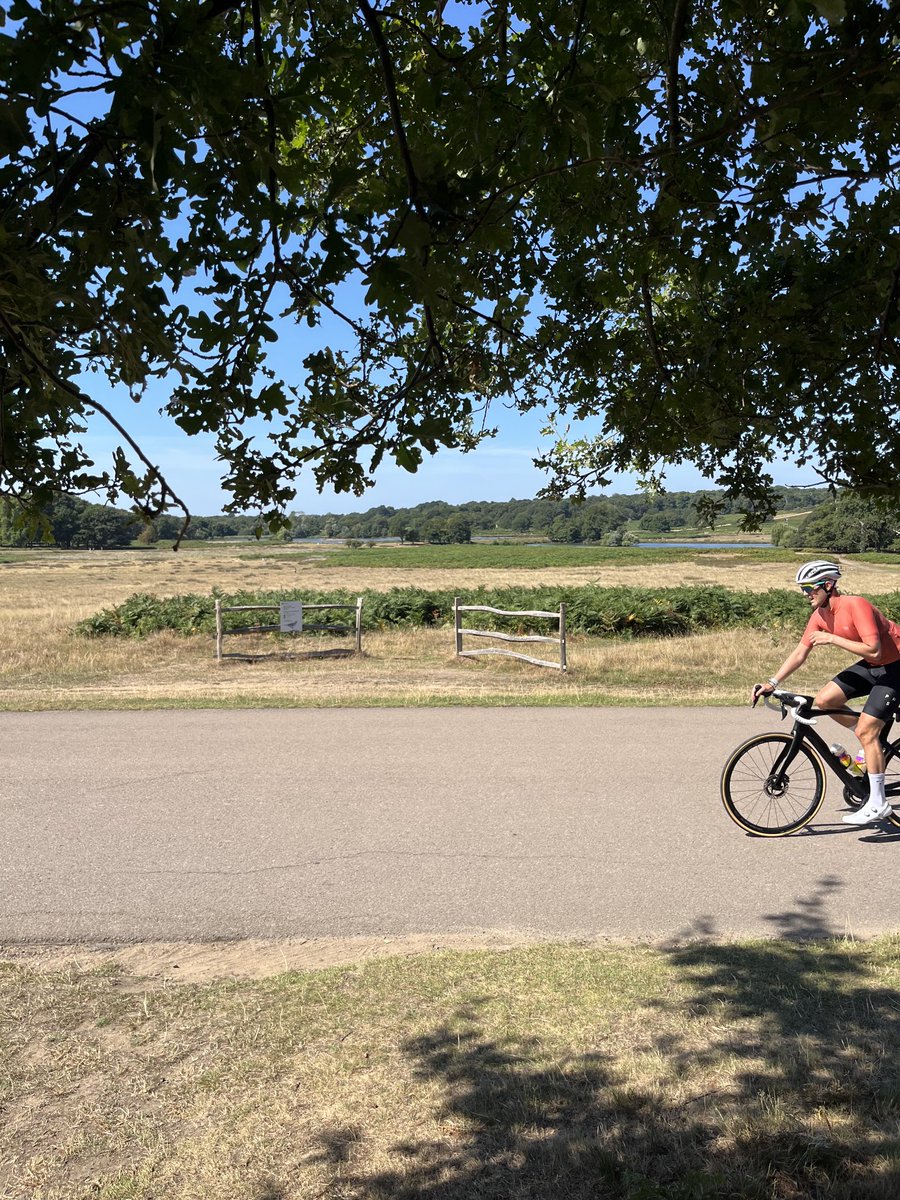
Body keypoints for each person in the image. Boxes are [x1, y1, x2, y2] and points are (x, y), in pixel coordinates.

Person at [753, 559, 900, 826]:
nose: (806, 594)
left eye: (809, 588)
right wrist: (772, 683)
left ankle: (878, 803)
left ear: (828, 585)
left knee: (866, 731)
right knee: (825, 700)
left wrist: (832, 638)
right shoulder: (819, 615)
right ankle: (870, 741)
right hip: (874, 666)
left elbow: (874, 650)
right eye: (802, 589)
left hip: (896, 665)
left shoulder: (856, 605)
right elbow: (800, 652)